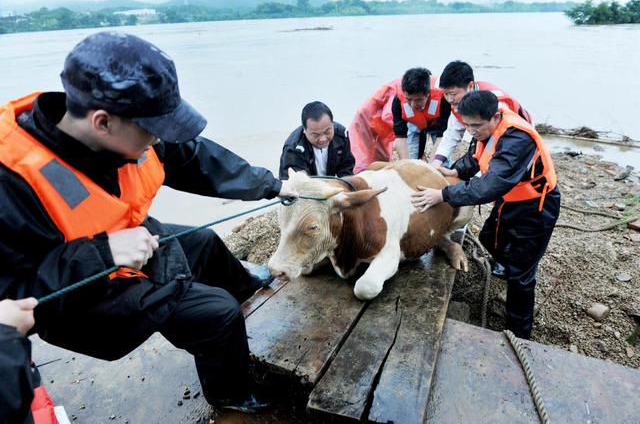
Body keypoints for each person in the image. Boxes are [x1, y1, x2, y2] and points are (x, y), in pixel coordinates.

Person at [0, 32, 299, 413]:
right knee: (217, 312)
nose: (159, 138)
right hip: (83, 296)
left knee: (205, 241)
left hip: (126, 241)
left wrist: (273, 185)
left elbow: (194, 159)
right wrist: (103, 254)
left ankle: (246, 290)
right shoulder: (11, 180)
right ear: (102, 122)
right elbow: (14, 295)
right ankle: (232, 394)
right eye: (153, 129)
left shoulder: (130, 129)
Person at [411, 91, 560, 339]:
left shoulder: (517, 139)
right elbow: (476, 158)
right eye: (466, 124)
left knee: (521, 277)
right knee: (489, 239)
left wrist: (444, 195)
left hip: (536, 207)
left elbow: (491, 184)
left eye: (476, 125)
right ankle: (508, 268)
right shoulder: (483, 131)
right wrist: (453, 169)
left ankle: (519, 335)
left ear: (495, 116)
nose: (471, 131)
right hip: (510, 202)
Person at [432, 60, 531, 168]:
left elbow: (497, 139)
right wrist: (438, 161)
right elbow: (452, 134)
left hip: (515, 133)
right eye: (446, 94)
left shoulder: (494, 105)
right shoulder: (458, 103)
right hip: (489, 134)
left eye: (453, 94)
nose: (449, 99)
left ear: (470, 86)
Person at [349, 68, 450, 173]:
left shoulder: (442, 99)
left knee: (442, 162)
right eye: (409, 99)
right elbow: (400, 138)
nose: (412, 105)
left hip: (436, 123)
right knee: (410, 161)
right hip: (413, 123)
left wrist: (432, 167)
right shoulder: (398, 100)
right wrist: (407, 168)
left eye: (418, 100)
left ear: (428, 93)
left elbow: (442, 137)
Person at [279, 101, 355, 180]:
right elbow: (298, 184)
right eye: (316, 135)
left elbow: (346, 168)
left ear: (332, 124)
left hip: (331, 184)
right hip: (301, 187)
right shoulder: (293, 149)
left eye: (327, 131)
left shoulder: (342, 135)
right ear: (304, 130)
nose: (323, 139)